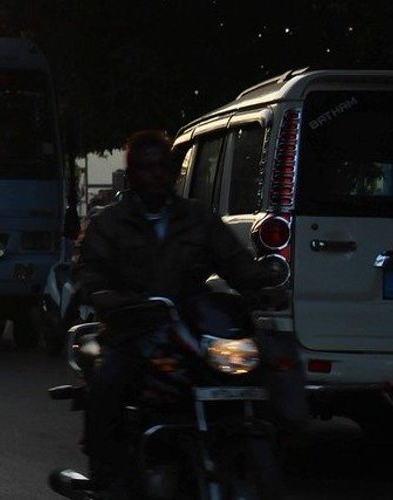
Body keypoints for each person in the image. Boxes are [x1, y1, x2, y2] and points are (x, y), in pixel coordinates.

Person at [72, 130, 282, 492]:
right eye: (146, 167)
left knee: (252, 367)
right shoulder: (110, 223)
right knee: (107, 384)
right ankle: (106, 476)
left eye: (163, 166)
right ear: (132, 173)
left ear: (173, 171)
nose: (156, 174)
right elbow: (88, 271)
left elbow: (235, 262)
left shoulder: (198, 218)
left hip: (192, 326)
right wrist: (104, 295)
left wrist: (265, 285)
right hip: (132, 327)